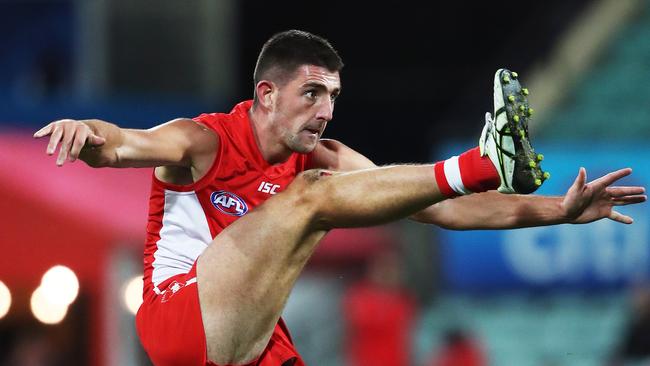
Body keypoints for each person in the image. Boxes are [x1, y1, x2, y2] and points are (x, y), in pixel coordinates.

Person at [34, 30, 645, 366]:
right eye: (313, 93)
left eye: (334, 95)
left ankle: (487, 164)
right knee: (313, 199)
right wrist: (86, 133)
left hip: (250, 345)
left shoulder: (321, 159)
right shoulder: (204, 139)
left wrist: (558, 212)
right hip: (178, 318)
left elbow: (446, 209)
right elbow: (122, 146)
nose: (327, 110)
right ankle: (487, 159)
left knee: (326, 193)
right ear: (267, 94)